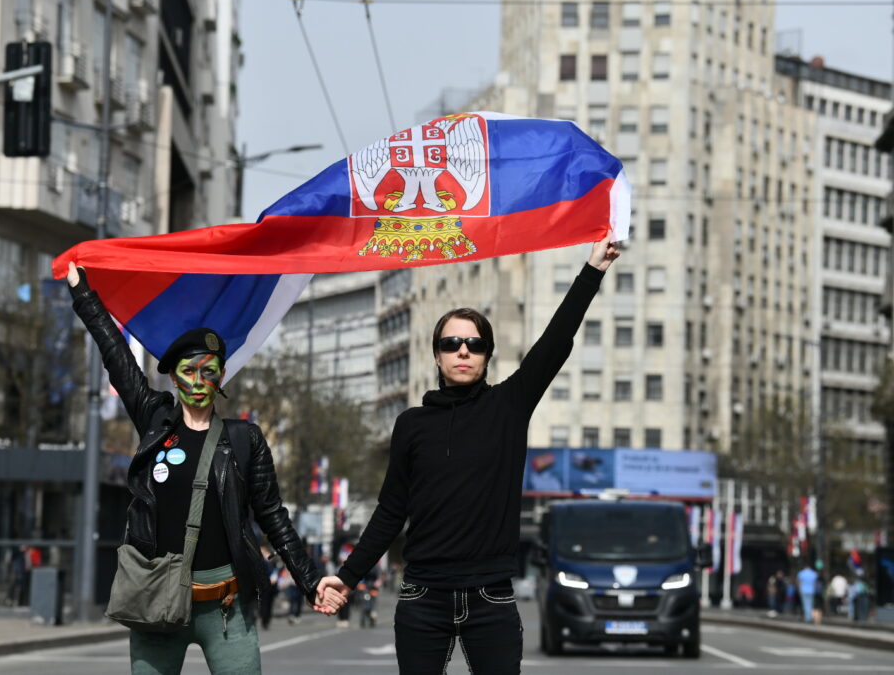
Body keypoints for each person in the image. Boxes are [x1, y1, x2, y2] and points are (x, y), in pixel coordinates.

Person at [319, 236, 619, 673]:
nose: (463, 351)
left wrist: (593, 269)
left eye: (474, 344)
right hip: (423, 596)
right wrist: (347, 577)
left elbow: (556, 341)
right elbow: (390, 512)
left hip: (490, 598)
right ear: (437, 356)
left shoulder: (509, 406)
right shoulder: (411, 424)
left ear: (487, 356)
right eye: (452, 343)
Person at [66, 262, 343, 675]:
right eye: (188, 372)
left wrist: (310, 579)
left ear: (221, 376)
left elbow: (272, 516)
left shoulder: (245, 440)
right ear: (175, 379)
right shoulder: (155, 421)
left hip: (227, 608)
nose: (198, 382)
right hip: (156, 600)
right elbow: (116, 356)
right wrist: (82, 293)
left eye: (208, 372)